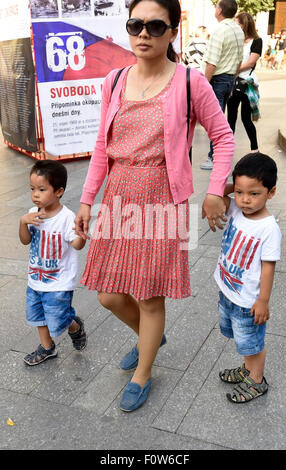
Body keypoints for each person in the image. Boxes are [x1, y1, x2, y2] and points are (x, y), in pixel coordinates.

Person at [75, 0, 234, 412]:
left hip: (161, 195)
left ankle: (143, 371)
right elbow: (100, 148)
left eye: (154, 25)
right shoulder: (114, 80)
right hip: (118, 194)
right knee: (108, 294)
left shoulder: (189, 82)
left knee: (149, 297)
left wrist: (216, 187)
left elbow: (223, 135)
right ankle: (151, 335)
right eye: (135, 24)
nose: (143, 33)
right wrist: (87, 200)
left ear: (172, 31)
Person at [215, 153, 281, 403]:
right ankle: (248, 369)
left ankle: (256, 380)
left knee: (252, 343)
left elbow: (268, 267)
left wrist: (263, 301)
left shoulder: (269, 228)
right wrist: (236, 185)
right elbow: (217, 190)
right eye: (240, 192)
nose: (245, 199)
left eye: (254, 193)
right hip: (228, 292)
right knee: (243, 343)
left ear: (270, 192)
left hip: (248, 303)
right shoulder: (235, 208)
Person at [19, 160, 87, 366]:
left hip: (58, 282)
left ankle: (74, 326)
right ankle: (47, 347)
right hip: (35, 279)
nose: (35, 195)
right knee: (38, 315)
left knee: (58, 318)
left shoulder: (66, 218)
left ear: (58, 192)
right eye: (32, 189)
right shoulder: (33, 213)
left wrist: (81, 234)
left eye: (41, 189)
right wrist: (23, 221)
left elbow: (76, 245)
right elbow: (25, 240)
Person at [200, 0, 244, 170]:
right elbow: (239, 60)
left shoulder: (220, 30)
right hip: (228, 79)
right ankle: (220, 155)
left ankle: (214, 157)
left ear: (220, 10)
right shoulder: (238, 30)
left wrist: (203, 84)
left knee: (214, 121)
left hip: (217, 80)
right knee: (220, 120)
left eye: (216, 6)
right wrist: (232, 80)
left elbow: (212, 62)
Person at [227, 12, 262, 154]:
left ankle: (255, 148)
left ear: (245, 24)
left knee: (246, 119)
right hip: (233, 84)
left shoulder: (257, 41)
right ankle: (227, 148)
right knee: (230, 119)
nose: (236, 26)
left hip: (248, 84)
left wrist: (234, 70)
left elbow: (251, 62)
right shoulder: (235, 40)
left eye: (238, 23)